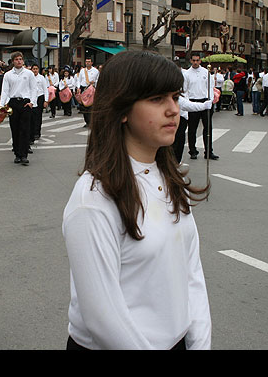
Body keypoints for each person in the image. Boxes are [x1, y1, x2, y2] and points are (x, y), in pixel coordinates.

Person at [62, 50, 211, 350]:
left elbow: (191, 274)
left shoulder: (170, 179)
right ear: (123, 108)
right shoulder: (93, 198)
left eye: (175, 96)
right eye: (157, 99)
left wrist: (199, 343)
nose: (173, 109)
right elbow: (103, 318)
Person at [0, 52, 36, 165]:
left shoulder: (29, 74)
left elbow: (33, 88)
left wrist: (31, 102)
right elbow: (5, 90)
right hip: (13, 103)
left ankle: (24, 154)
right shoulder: (8, 75)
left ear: (23, 61)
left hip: (25, 102)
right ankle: (17, 154)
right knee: (14, 129)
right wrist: (2, 105)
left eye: (20, 59)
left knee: (25, 129)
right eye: (16, 59)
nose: (19, 61)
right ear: (13, 61)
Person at [184, 55, 218, 160]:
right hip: (193, 102)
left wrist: (210, 101)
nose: (195, 62)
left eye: (197, 60)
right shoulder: (187, 74)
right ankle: (192, 151)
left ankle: (208, 151)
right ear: (190, 61)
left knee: (207, 128)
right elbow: (185, 90)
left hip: (205, 101)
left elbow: (211, 87)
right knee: (192, 128)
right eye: (193, 60)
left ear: (200, 61)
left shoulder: (205, 72)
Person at [76, 57, 99, 128]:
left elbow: (98, 80)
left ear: (92, 63)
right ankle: (87, 121)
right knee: (83, 106)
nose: (87, 63)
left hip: (91, 89)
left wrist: (94, 83)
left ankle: (91, 121)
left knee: (90, 106)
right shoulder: (82, 71)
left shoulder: (96, 71)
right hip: (84, 88)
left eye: (89, 61)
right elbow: (79, 80)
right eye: (86, 62)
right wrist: (78, 87)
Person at [30, 63, 48, 143]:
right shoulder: (29, 78)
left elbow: (45, 89)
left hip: (40, 97)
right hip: (32, 98)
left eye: (36, 69)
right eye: (34, 69)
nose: (35, 70)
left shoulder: (41, 78)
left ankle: (37, 132)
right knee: (31, 117)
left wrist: (46, 100)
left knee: (38, 116)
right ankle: (32, 132)